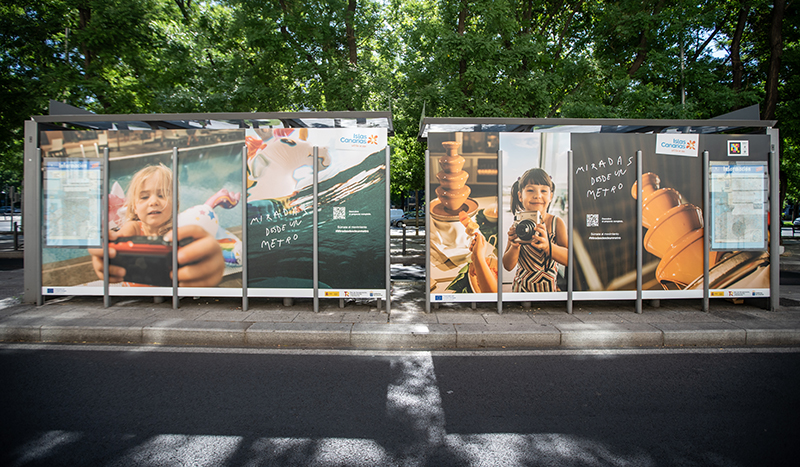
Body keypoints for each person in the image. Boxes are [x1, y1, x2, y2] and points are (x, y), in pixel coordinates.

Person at [89, 164, 225, 287]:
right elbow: (121, 236)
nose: (153, 201)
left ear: (175, 205)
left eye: (162, 195)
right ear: (135, 208)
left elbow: (197, 256)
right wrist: (109, 246)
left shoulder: (177, 235)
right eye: (144, 197)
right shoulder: (134, 227)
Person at [502, 168, 568, 292]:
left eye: (543, 191)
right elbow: (508, 266)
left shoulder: (556, 223)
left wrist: (549, 247)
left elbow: (569, 259)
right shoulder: (518, 224)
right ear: (520, 196)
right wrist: (514, 246)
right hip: (521, 288)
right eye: (530, 190)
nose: (537, 195)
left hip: (548, 289)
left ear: (551, 196)